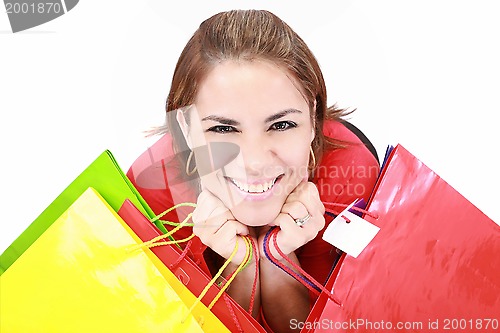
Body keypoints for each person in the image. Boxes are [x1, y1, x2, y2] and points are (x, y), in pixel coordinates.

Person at [127, 9, 379, 333]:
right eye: (222, 129)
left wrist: (277, 257)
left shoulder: (351, 173)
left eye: (282, 124)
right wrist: (240, 264)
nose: (255, 161)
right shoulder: (150, 195)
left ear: (313, 118)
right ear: (186, 128)